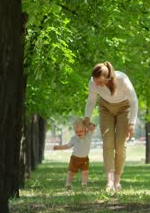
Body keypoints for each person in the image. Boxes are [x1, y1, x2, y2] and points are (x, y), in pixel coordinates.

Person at [84, 61, 138, 191]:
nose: (97, 85)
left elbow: (134, 101)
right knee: (108, 143)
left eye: (100, 83)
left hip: (124, 108)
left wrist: (131, 123)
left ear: (108, 78)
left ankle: (117, 182)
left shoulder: (122, 79)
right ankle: (109, 182)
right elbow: (91, 100)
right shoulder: (93, 82)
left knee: (120, 145)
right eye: (96, 82)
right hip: (105, 108)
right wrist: (87, 117)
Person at [53, 117, 95, 190]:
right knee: (71, 173)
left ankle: (84, 185)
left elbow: (93, 126)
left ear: (85, 128)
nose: (79, 133)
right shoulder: (74, 138)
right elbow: (67, 146)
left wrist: (86, 122)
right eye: (76, 131)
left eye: (81, 131)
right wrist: (58, 147)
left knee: (85, 172)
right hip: (75, 159)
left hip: (85, 159)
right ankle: (68, 184)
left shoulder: (89, 135)